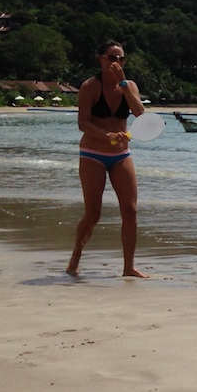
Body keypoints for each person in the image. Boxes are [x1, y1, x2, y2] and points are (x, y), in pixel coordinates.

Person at [67, 40, 149, 278]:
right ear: (100, 59)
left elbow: (139, 113)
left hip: (121, 155)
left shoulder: (129, 85)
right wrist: (107, 135)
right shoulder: (90, 86)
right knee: (93, 213)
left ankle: (128, 267)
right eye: (111, 58)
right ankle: (76, 256)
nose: (116, 62)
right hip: (93, 154)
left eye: (120, 59)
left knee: (130, 210)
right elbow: (83, 123)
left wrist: (123, 83)